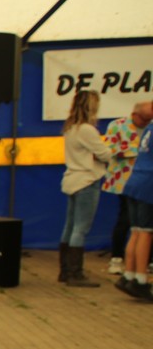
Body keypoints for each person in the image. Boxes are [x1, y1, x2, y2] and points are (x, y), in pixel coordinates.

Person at [56, 90, 112, 287]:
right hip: (87, 180)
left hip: (72, 179)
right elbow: (105, 154)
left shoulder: (70, 128)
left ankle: (65, 270)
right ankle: (75, 273)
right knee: (81, 228)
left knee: (70, 225)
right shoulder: (88, 129)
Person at [103, 101, 152, 274]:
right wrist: (136, 150)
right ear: (135, 115)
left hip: (144, 182)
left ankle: (144, 263)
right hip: (124, 181)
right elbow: (108, 149)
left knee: (143, 227)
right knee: (127, 221)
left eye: (149, 120)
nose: (146, 122)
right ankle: (117, 259)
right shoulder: (117, 125)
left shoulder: (150, 127)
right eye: (144, 119)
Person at [115, 102, 153, 302]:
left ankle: (128, 275)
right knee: (146, 233)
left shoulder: (149, 128)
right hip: (148, 184)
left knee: (136, 231)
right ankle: (140, 281)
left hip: (134, 181)